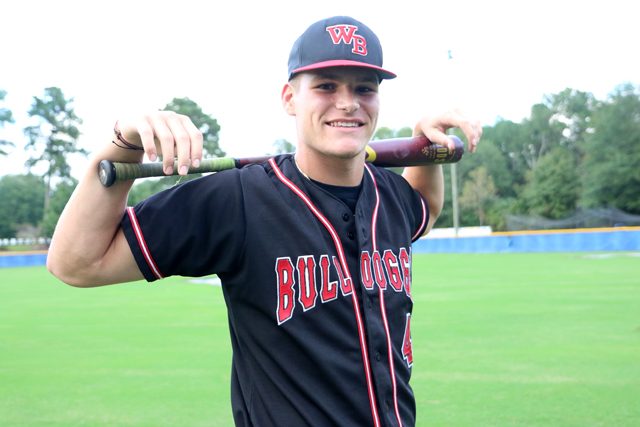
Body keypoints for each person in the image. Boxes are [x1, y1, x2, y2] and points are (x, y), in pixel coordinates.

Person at [48, 15, 481, 427]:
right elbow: (77, 264)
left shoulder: (391, 197)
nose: (348, 102)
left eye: (364, 89)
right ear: (290, 98)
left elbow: (423, 205)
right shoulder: (236, 200)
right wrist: (122, 144)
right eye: (326, 86)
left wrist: (427, 146)